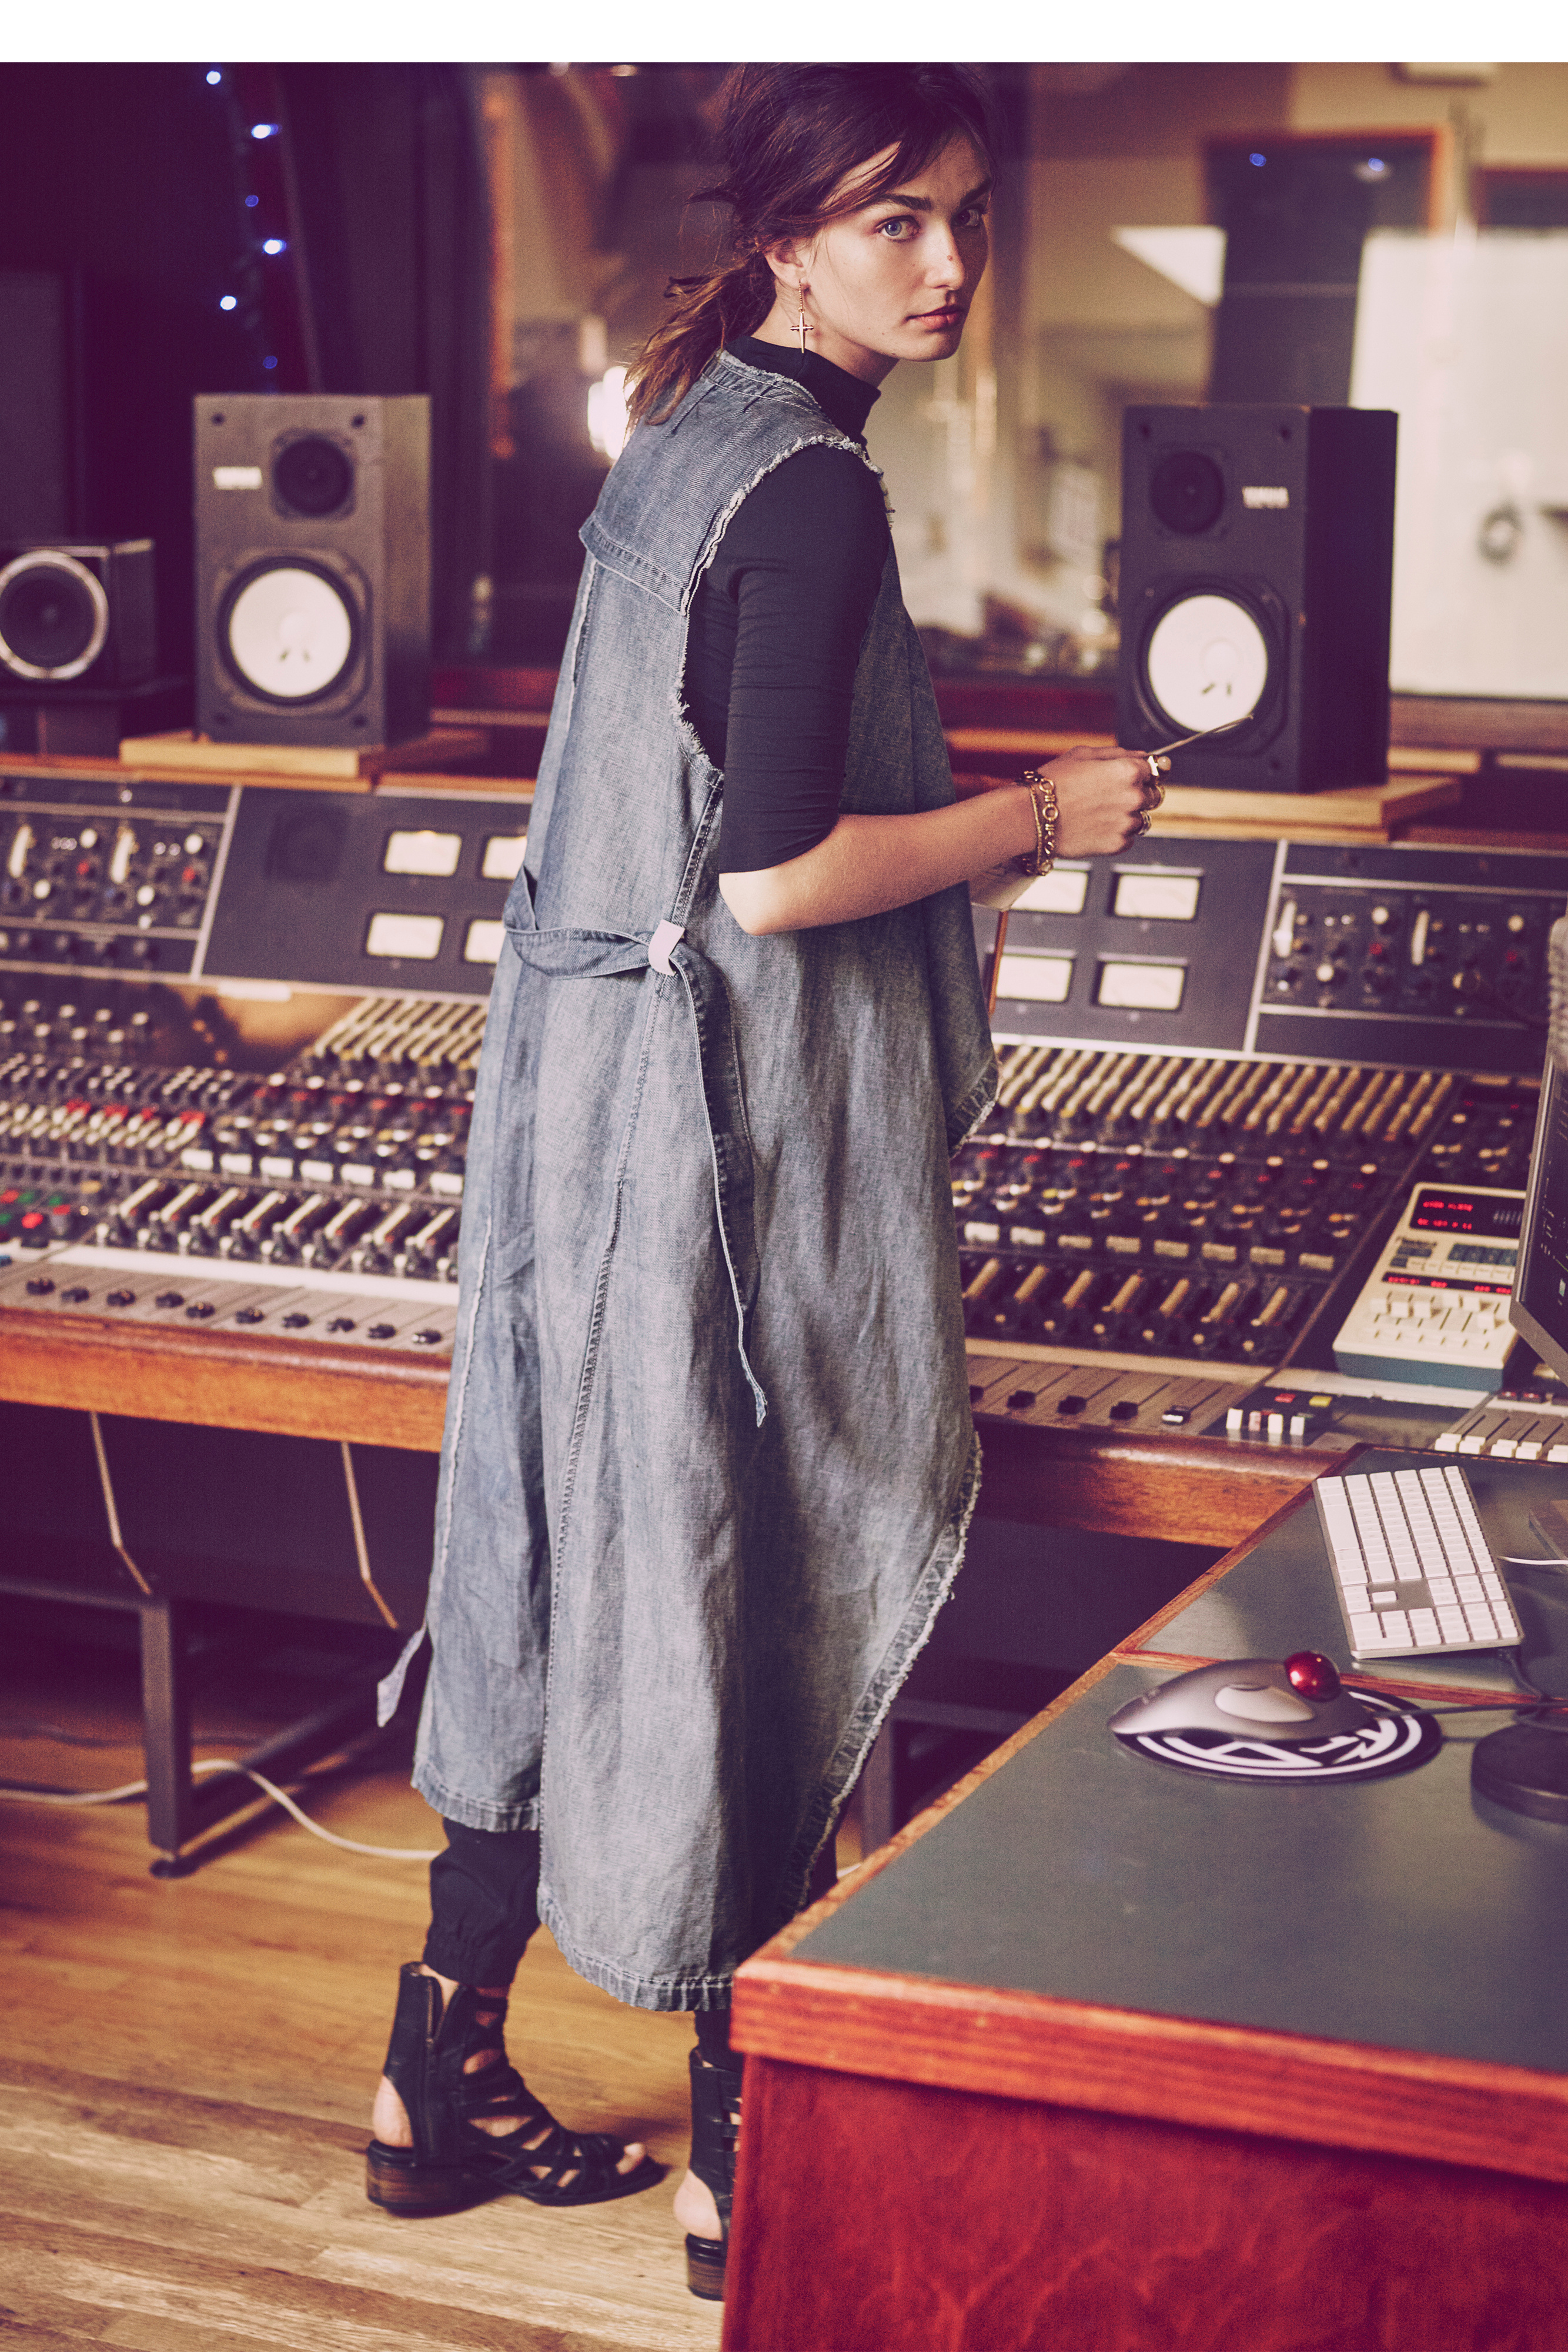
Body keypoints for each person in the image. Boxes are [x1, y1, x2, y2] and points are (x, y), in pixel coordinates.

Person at [364, 61, 1160, 2301]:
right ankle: (745, 2165)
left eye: (966, 217)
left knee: (556, 1567)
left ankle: (432, 2081)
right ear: (791, 237)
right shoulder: (806, 489)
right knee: (766, 1586)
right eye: (896, 221)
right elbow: (782, 877)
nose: (948, 263)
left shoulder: (687, 429)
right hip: (723, 1148)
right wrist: (1044, 819)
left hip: (588, 1123)